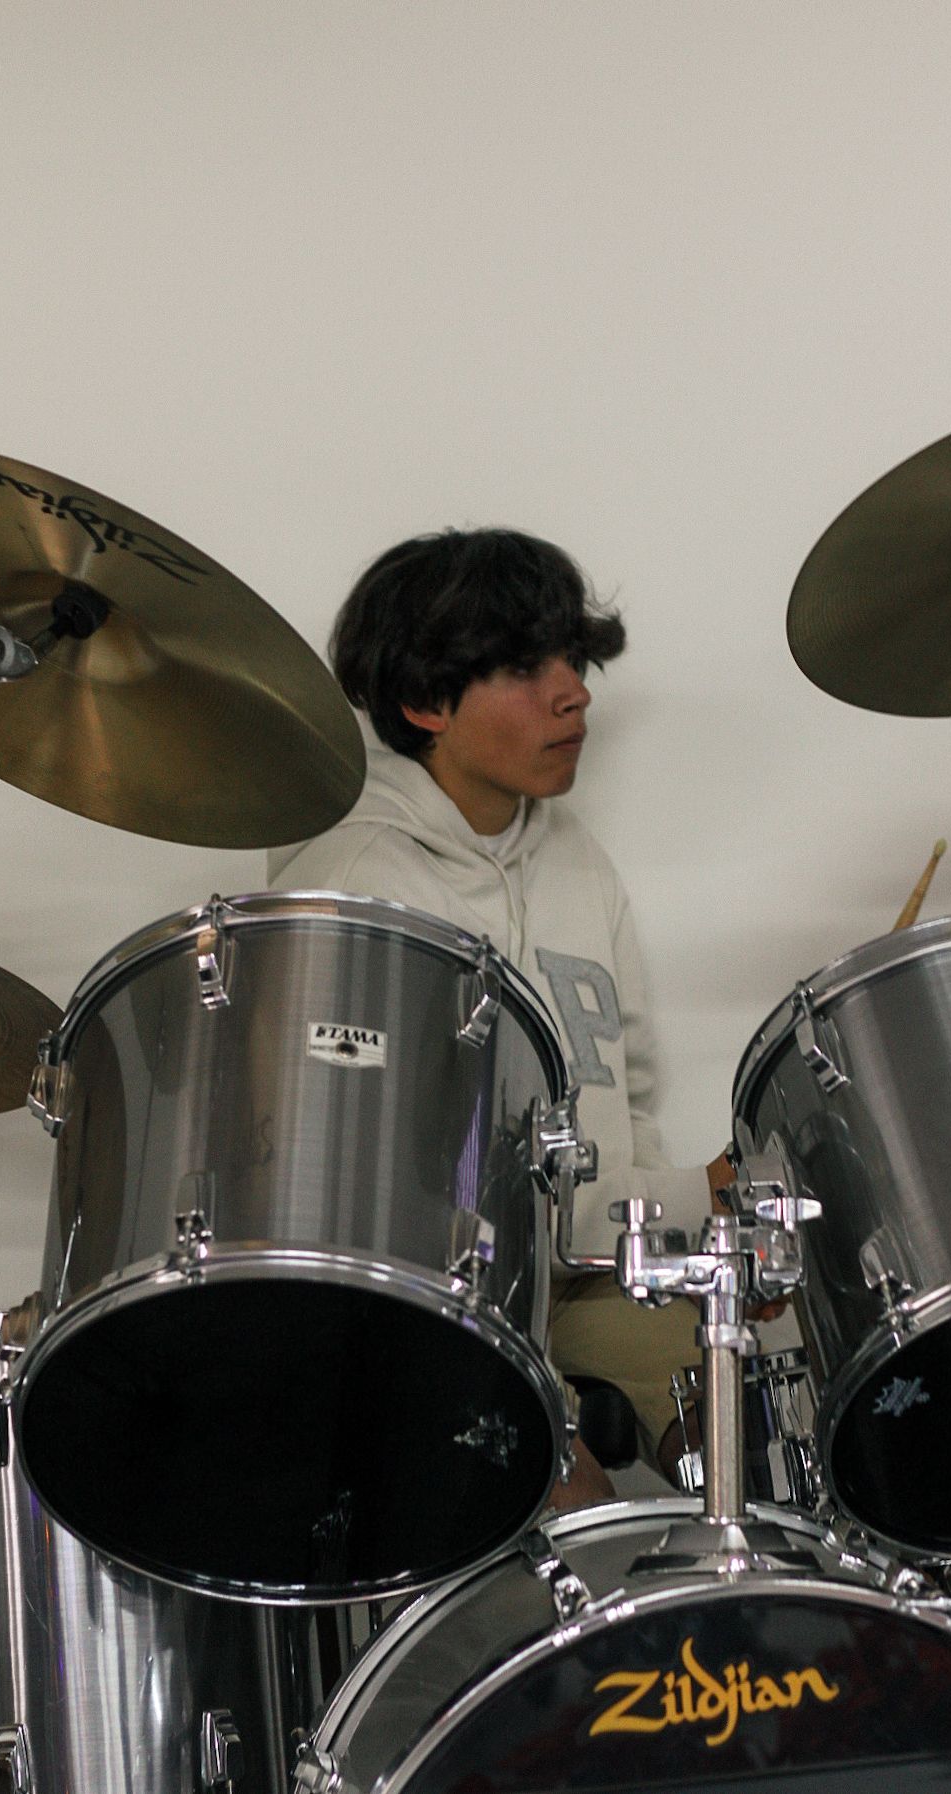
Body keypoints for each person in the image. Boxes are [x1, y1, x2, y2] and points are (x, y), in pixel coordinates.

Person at [268, 527, 732, 1489]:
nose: (574, 693)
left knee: (748, 1420)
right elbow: (373, 1195)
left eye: (573, 661)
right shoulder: (353, 882)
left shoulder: (579, 864)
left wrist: (696, 1229)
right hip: (437, 1302)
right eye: (526, 670)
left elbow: (628, 1114)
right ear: (425, 703)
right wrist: (702, 1194)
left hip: (582, 1275)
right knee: (563, 1496)